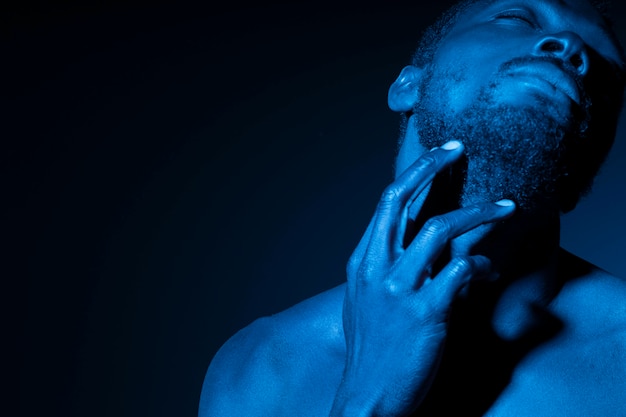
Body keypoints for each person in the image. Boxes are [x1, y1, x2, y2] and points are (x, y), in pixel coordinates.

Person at [199, 0, 626, 415]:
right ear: (409, 85)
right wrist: (370, 398)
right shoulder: (262, 368)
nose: (570, 44)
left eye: (604, 69)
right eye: (516, 17)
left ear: (590, 166)